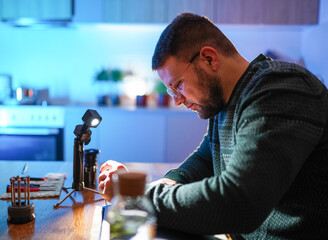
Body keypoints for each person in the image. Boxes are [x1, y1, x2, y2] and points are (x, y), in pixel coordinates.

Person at [98, 12, 328, 239]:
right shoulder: (226, 101)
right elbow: (205, 159)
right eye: (171, 90)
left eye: (178, 84)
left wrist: (136, 196)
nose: (177, 99)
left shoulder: (281, 89)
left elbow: (239, 202)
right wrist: (167, 182)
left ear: (209, 58)